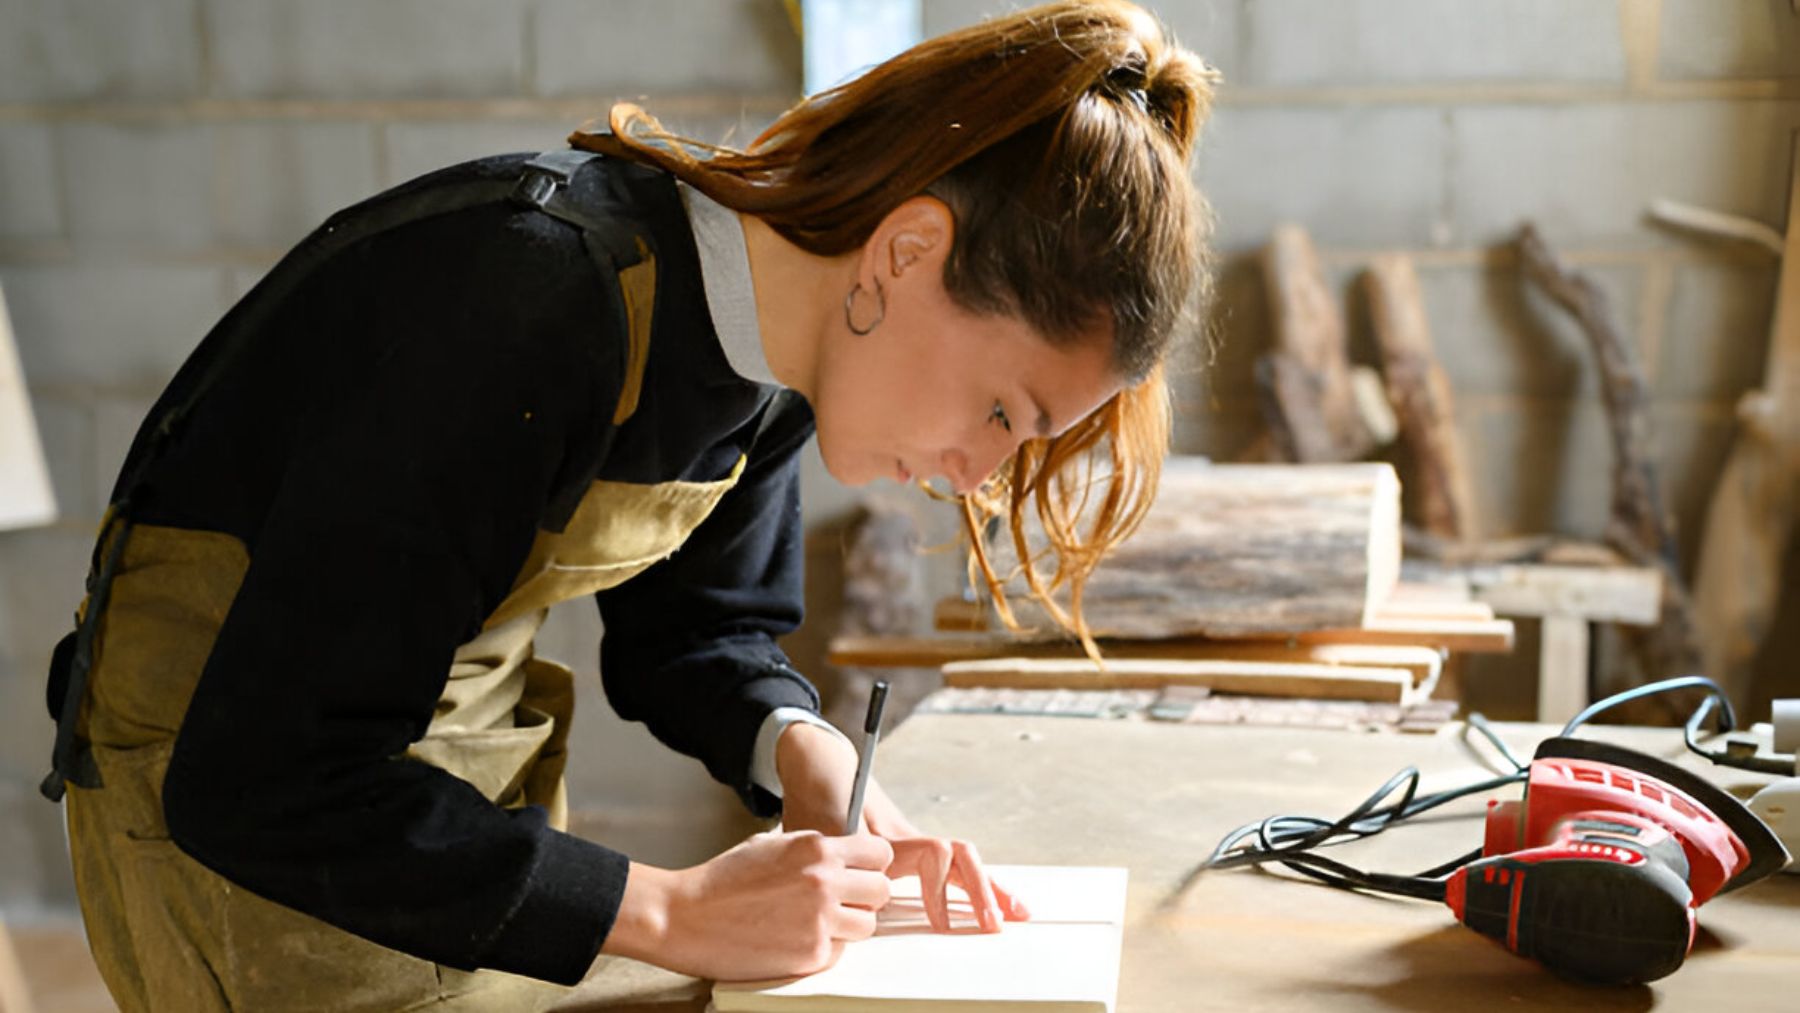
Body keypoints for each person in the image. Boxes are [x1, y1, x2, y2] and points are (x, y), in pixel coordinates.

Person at [40, 1, 1216, 1009]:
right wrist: (673, 907)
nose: (978, 471)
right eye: (1003, 411)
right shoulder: (522, 303)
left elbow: (694, 638)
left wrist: (798, 750)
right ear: (906, 253)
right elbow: (264, 775)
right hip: (241, 821)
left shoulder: (786, 363)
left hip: (428, 791)